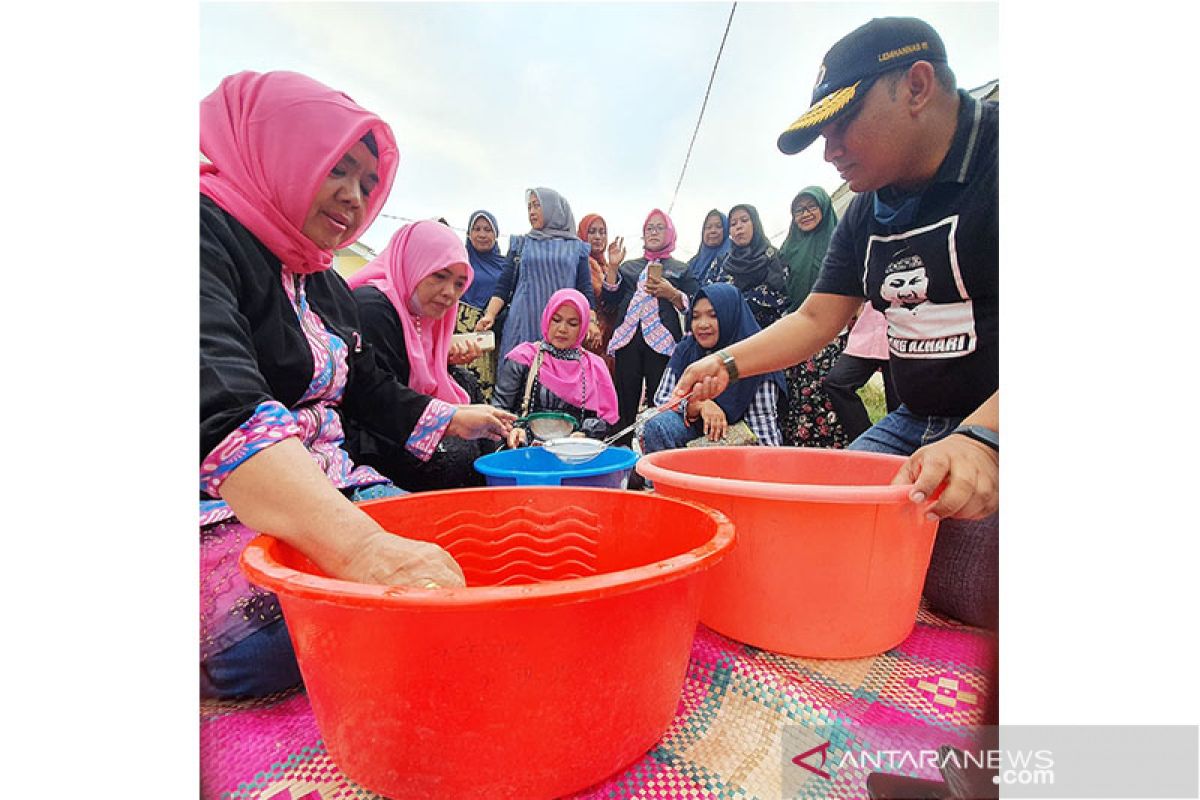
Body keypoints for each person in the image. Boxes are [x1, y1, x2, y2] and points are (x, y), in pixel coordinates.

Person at [671, 17, 998, 629]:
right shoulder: (867, 209)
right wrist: (726, 361)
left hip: (993, 424)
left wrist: (984, 441)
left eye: (843, 123)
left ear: (918, 85)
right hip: (913, 423)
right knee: (828, 536)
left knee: (961, 579)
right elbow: (818, 317)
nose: (831, 150)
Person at [199, 71, 514, 698]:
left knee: (472, 560)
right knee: (288, 632)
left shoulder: (322, 281)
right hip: (220, 506)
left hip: (335, 486)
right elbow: (219, 403)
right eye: (336, 170)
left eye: (368, 184)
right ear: (278, 153)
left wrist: (453, 417)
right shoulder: (198, 235)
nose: (354, 197)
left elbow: (363, 386)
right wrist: (360, 551)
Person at [345, 219, 492, 492]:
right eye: (439, 275)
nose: (449, 293)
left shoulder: (420, 315)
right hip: (366, 439)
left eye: (459, 284)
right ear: (412, 264)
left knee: (470, 393)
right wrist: (451, 417)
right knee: (457, 457)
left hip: (397, 422)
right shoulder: (372, 307)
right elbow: (375, 398)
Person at [641, 284, 784, 453]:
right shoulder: (687, 349)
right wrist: (698, 405)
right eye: (695, 317)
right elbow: (662, 399)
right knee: (656, 426)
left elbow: (762, 430)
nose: (702, 325)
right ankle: (667, 479)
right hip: (693, 433)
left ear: (730, 316)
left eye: (713, 315)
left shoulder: (755, 359)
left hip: (737, 449)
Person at [601, 209, 697, 444]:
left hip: (663, 343)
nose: (653, 232)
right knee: (625, 400)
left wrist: (672, 293)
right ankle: (622, 457)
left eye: (659, 227)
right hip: (629, 339)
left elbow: (696, 305)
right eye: (649, 228)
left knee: (661, 401)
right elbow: (610, 301)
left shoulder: (681, 268)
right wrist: (613, 267)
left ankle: (656, 453)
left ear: (670, 232)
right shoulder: (629, 267)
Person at [475, 187, 599, 358]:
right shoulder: (521, 243)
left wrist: (591, 321)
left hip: (561, 326)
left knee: (557, 377)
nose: (532, 212)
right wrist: (490, 315)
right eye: (529, 207)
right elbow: (504, 285)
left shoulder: (576, 248)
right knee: (517, 375)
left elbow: (585, 289)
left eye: (537, 205)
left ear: (553, 208)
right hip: (522, 322)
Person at [491, 289, 619, 448]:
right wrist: (515, 430)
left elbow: (607, 419)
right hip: (525, 452)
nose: (562, 329)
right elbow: (500, 408)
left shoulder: (595, 367)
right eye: (556, 320)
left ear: (584, 326)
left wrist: (585, 434)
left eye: (572, 323)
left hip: (575, 456)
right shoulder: (524, 357)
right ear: (546, 318)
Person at [778, 186, 849, 448]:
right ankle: (798, 448)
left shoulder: (840, 242)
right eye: (798, 210)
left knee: (824, 391)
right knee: (796, 391)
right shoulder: (787, 249)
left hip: (831, 329)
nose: (804, 214)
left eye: (810, 207)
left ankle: (832, 450)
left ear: (824, 208)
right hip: (796, 328)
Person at [695, 203, 790, 330]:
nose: (739, 227)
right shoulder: (721, 263)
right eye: (733, 224)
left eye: (744, 220)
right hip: (730, 338)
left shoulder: (774, 258)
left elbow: (784, 301)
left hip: (768, 337)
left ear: (755, 224)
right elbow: (707, 298)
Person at [823, 301, 899, 442]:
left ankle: (898, 453)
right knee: (836, 383)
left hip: (902, 332)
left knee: (898, 404)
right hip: (868, 330)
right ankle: (868, 442)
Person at [454, 210, 506, 400]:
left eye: (487, 229)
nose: (482, 234)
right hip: (457, 328)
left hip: (488, 330)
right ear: (468, 233)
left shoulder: (506, 265)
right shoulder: (459, 259)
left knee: (485, 381)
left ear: (496, 234)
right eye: (476, 229)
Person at [578, 213, 617, 365]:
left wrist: (614, 268)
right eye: (592, 231)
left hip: (608, 341)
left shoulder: (607, 266)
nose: (598, 237)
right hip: (588, 338)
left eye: (602, 232)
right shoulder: (579, 264)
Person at [683, 209, 732, 283]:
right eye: (708, 227)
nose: (713, 231)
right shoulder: (693, 262)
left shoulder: (732, 260)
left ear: (726, 230)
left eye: (718, 226)